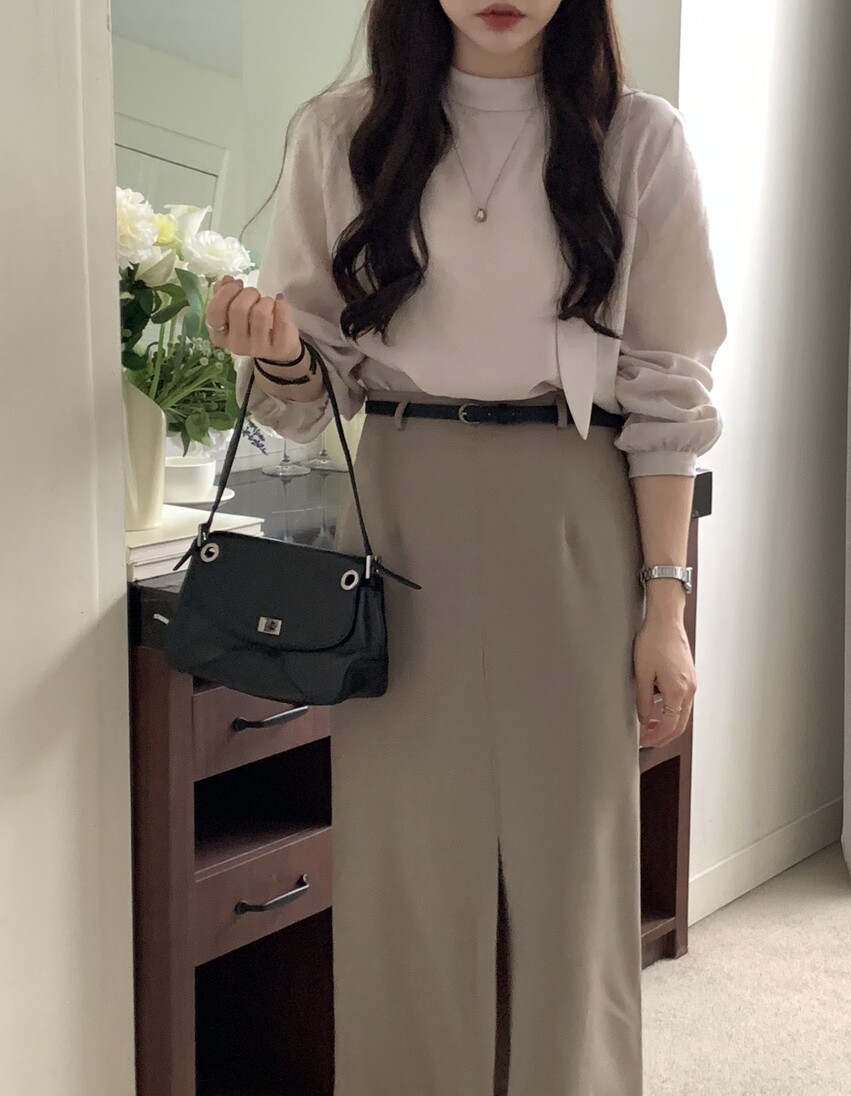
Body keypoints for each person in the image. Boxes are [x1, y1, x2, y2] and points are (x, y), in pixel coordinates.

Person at [205, 1, 727, 1092]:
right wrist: (278, 353)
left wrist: (666, 607)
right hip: (402, 502)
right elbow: (310, 395)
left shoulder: (637, 139)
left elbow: (668, 390)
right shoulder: (340, 134)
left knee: (573, 864)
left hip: (571, 500)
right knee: (407, 863)